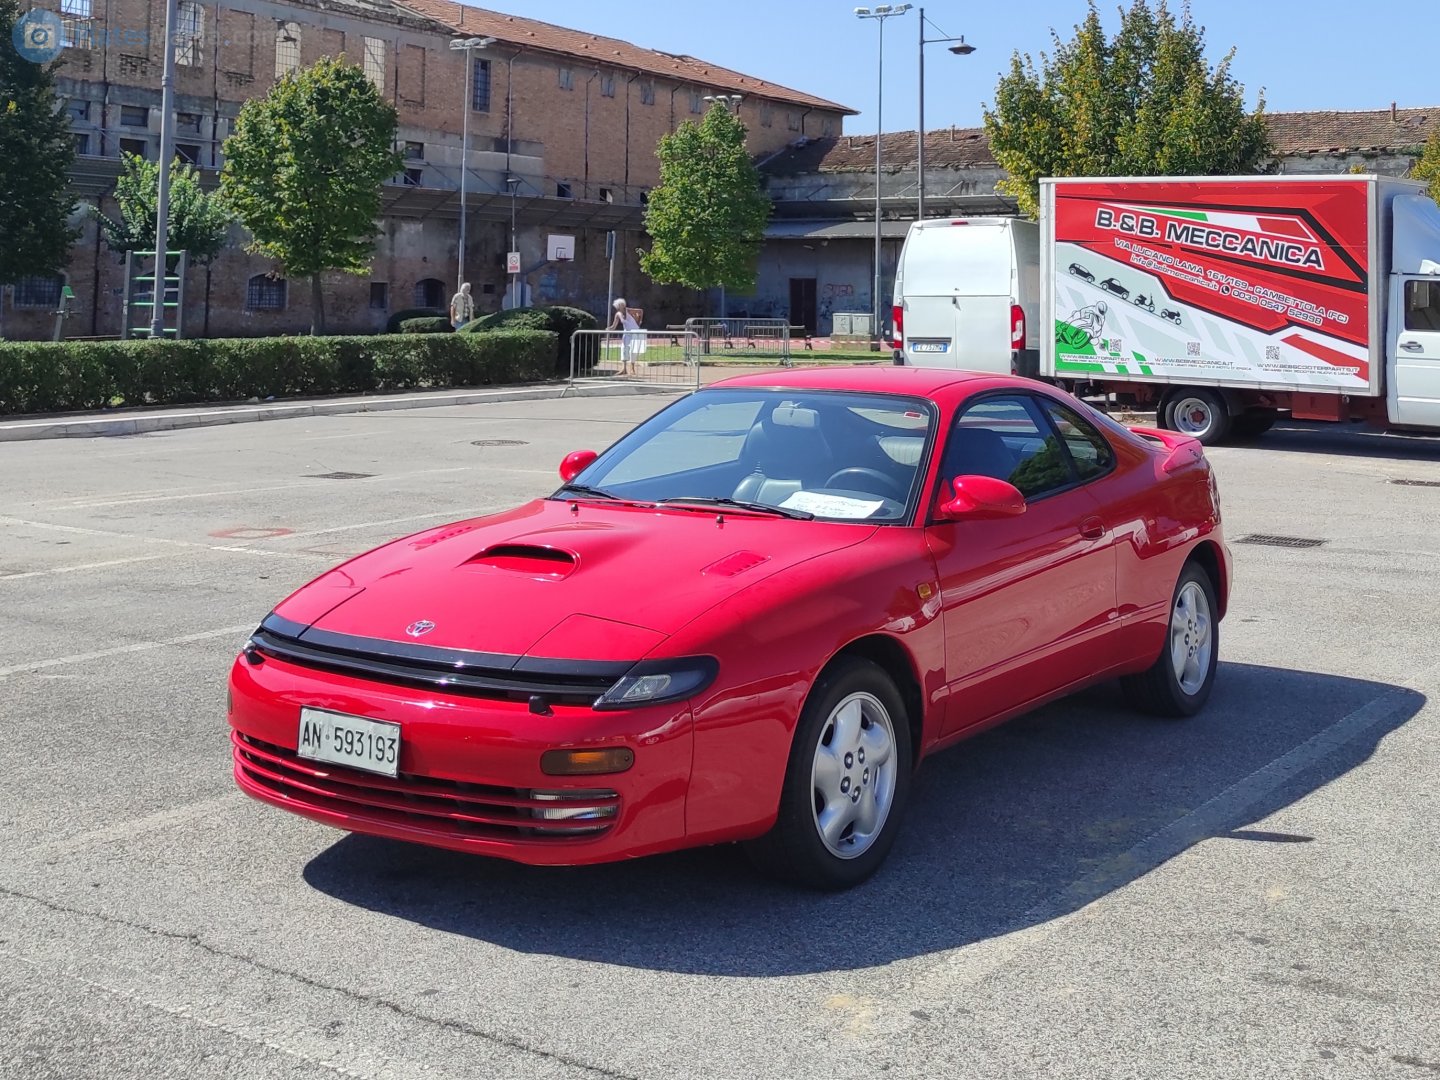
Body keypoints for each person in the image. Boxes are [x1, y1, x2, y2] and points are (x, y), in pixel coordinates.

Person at [608, 298, 646, 375]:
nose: (620, 307)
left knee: (634, 350)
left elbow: (640, 311)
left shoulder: (628, 310)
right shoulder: (618, 314)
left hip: (635, 332)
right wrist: (608, 329)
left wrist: (639, 321)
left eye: (621, 305)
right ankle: (624, 369)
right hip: (627, 334)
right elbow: (613, 326)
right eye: (618, 306)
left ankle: (632, 368)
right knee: (624, 349)